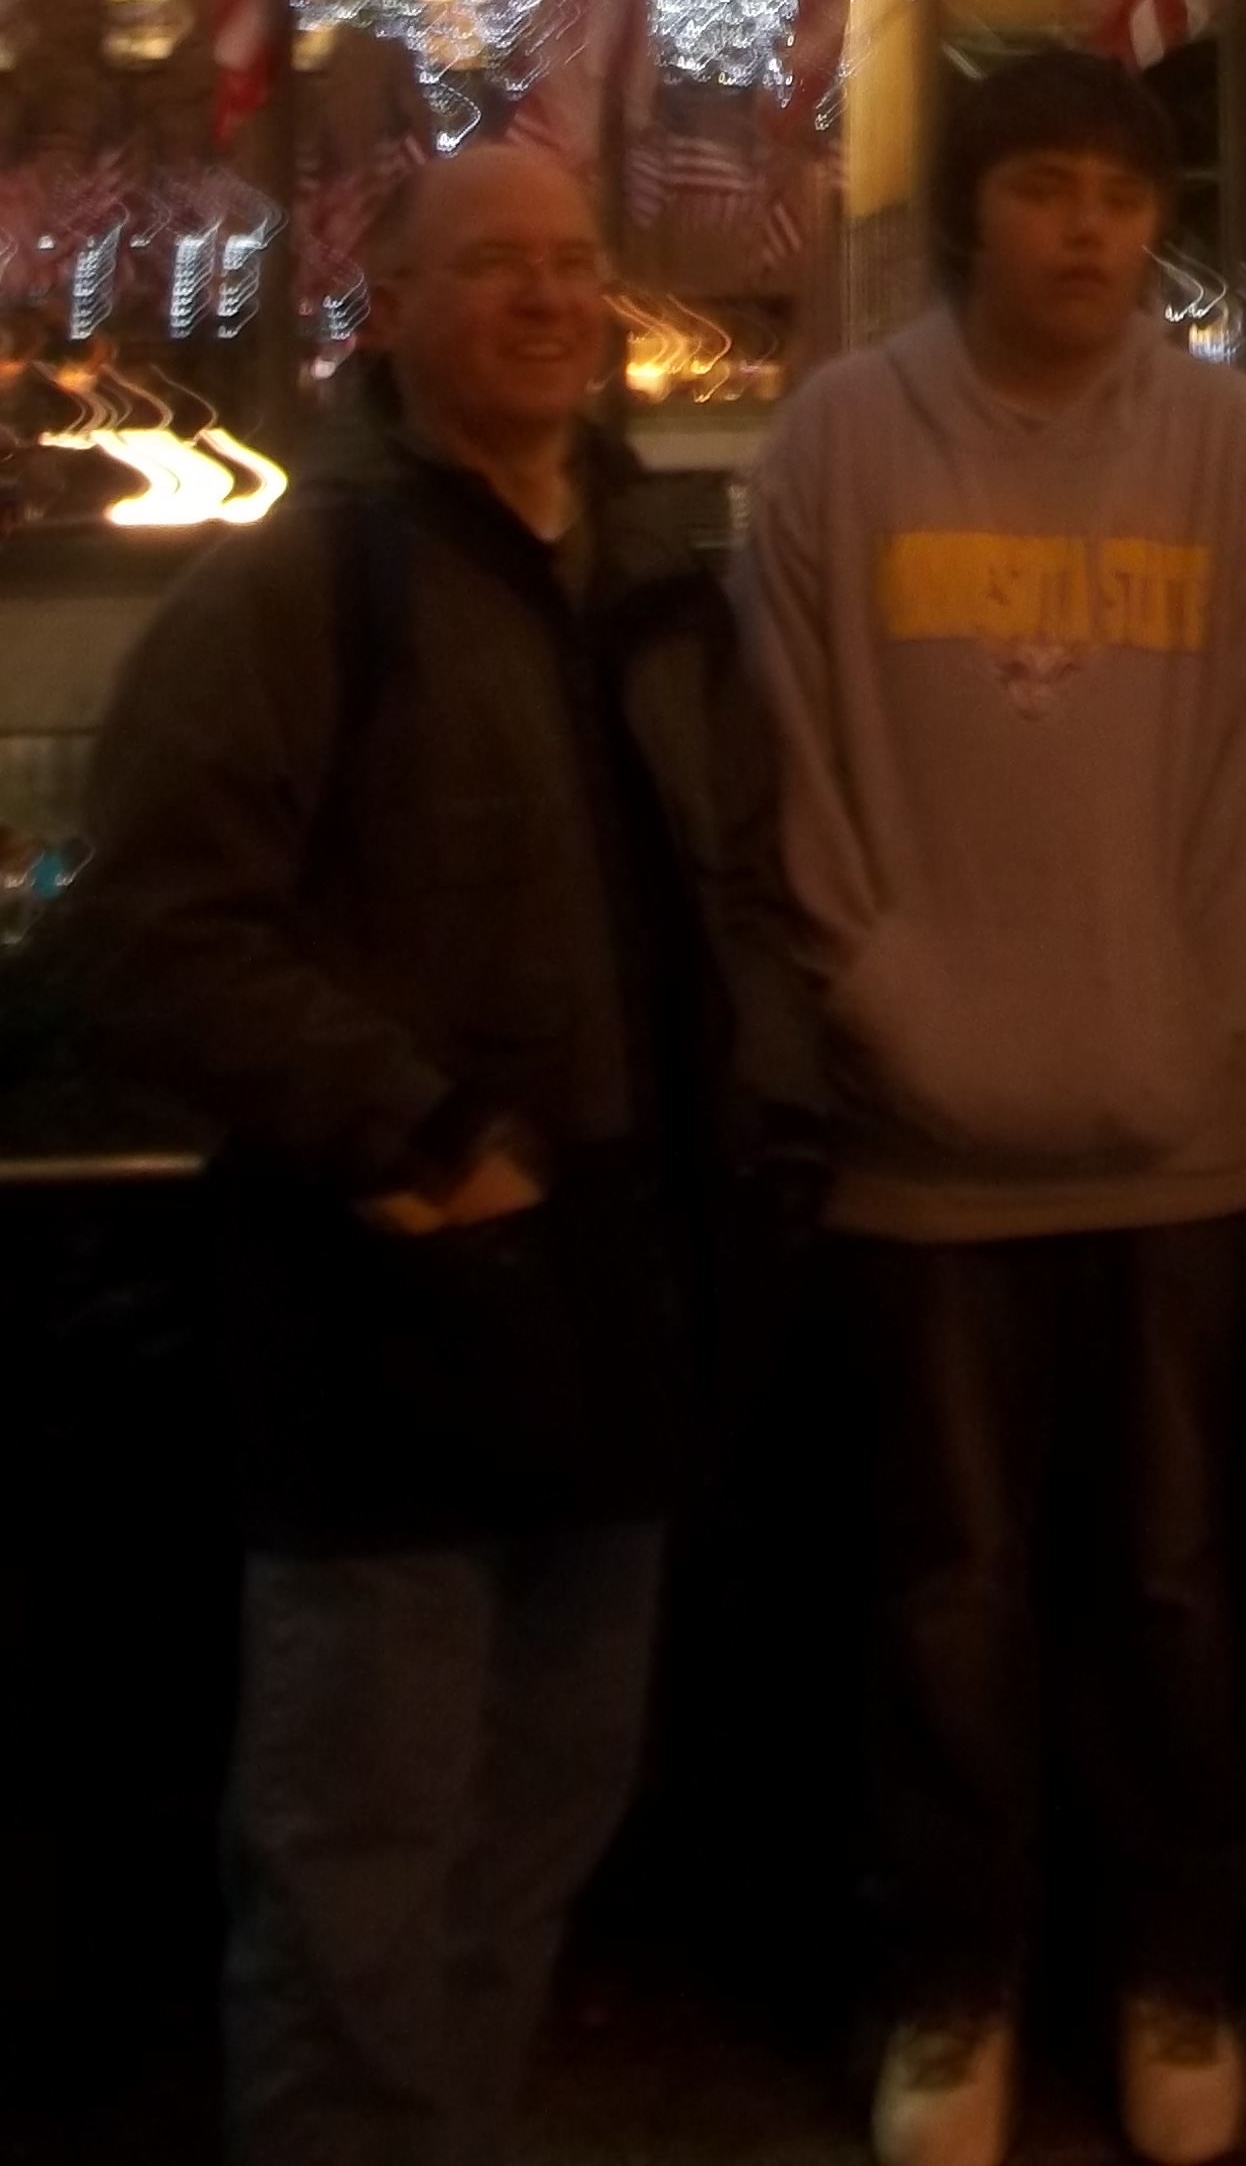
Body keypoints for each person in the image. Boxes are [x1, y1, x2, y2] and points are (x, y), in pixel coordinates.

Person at [79, 139, 826, 2166]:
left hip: (621, 1296)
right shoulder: (308, 580)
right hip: (383, 1312)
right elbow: (146, 930)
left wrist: (761, 1106)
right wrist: (410, 1129)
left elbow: (742, 883)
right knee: (358, 1857)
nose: (548, 296)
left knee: (536, 1825)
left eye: (576, 261)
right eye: (493, 262)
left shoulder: (657, 580)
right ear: (385, 303)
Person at [740, 49, 1246, 2166]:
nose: (1087, 228)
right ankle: (953, 1974)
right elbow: (790, 764)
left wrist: (1193, 1018)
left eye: (1119, 192)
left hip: (1183, 1132)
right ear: (972, 213)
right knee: (946, 1584)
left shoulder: (1227, 451)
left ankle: (1181, 1957)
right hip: (924, 1147)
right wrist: (890, 999)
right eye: (1046, 189)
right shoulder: (834, 441)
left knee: (1174, 1574)